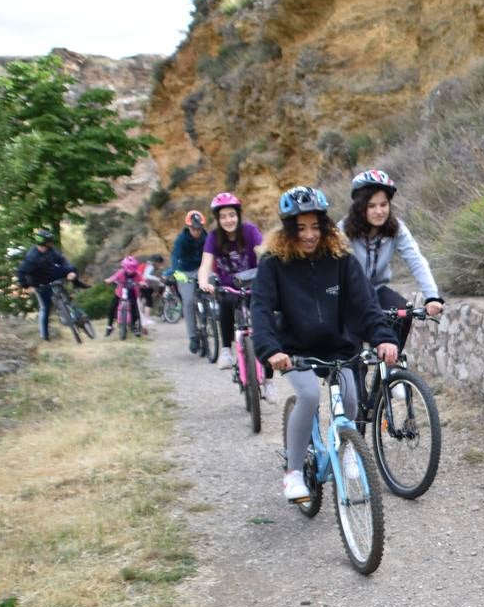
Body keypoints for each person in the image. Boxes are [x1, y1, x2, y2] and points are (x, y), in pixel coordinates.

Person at [251, 186, 399, 502]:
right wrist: (270, 350)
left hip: (337, 346)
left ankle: (347, 448)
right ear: (289, 230)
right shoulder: (273, 263)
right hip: (294, 349)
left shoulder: (341, 260)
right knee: (306, 395)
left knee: (350, 396)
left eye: (316, 227)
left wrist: (384, 338)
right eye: (301, 228)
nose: (309, 235)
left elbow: (366, 305)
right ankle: (292, 473)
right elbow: (261, 309)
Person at [337, 169, 443, 346]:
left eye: (383, 204)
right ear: (359, 207)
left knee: (401, 312)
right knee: (352, 358)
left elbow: (416, 260)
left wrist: (432, 296)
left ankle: (389, 367)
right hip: (346, 297)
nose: (379, 211)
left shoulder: (396, 228)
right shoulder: (343, 231)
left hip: (376, 290)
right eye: (371, 206)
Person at [197, 192, 263, 369]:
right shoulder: (213, 237)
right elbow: (205, 264)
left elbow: (261, 251)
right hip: (229, 287)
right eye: (223, 217)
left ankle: (269, 381)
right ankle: (226, 349)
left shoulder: (249, 231)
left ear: (238, 215)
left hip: (252, 283)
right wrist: (204, 282)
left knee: (264, 327)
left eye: (232, 215)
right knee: (225, 304)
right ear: (218, 219)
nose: (228, 220)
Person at [15, 229, 79, 341]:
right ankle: (44, 336)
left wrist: (70, 271)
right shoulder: (32, 258)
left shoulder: (50, 250)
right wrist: (27, 287)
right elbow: (20, 272)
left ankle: (67, 303)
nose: (51, 244)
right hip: (38, 282)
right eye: (49, 242)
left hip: (50, 274)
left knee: (71, 270)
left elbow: (61, 260)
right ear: (45, 243)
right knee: (45, 308)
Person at [171, 210, 208, 354]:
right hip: (184, 271)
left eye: (199, 228)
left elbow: (214, 253)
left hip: (202, 268)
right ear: (188, 227)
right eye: (194, 229)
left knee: (213, 286)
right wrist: (175, 273)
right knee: (188, 301)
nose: (197, 231)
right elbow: (175, 256)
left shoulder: (207, 237)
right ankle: (193, 336)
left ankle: (211, 312)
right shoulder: (181, 239)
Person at [105, 255, 147, 337]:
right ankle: (109, 326)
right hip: (120, 293)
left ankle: (135, 327)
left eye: (132, 269)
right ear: (124, 267)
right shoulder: (121, 272)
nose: (130, 271)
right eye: (128, 269)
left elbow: (143, 280)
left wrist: (143, 283)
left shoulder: (137, 274)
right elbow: (114, 277)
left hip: (132, 293)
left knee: (134, 310)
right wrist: (109, 280)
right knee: (112, 307)